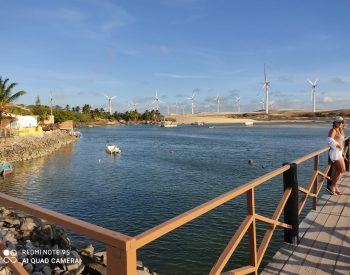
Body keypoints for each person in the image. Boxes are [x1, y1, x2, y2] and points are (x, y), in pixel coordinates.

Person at [327, 116, 346, 195]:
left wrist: (342, 151)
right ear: (336, 123)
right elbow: (329, 140)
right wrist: (337, 145)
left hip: (339, 152)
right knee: (342, 169)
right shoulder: (333, 130)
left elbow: (342, 141)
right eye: (340, 122)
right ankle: (332, 186)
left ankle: (334, 187)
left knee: (336, 171)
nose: (341, 124)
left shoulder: (340, 130)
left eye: (342, 122)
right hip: (335, 153)